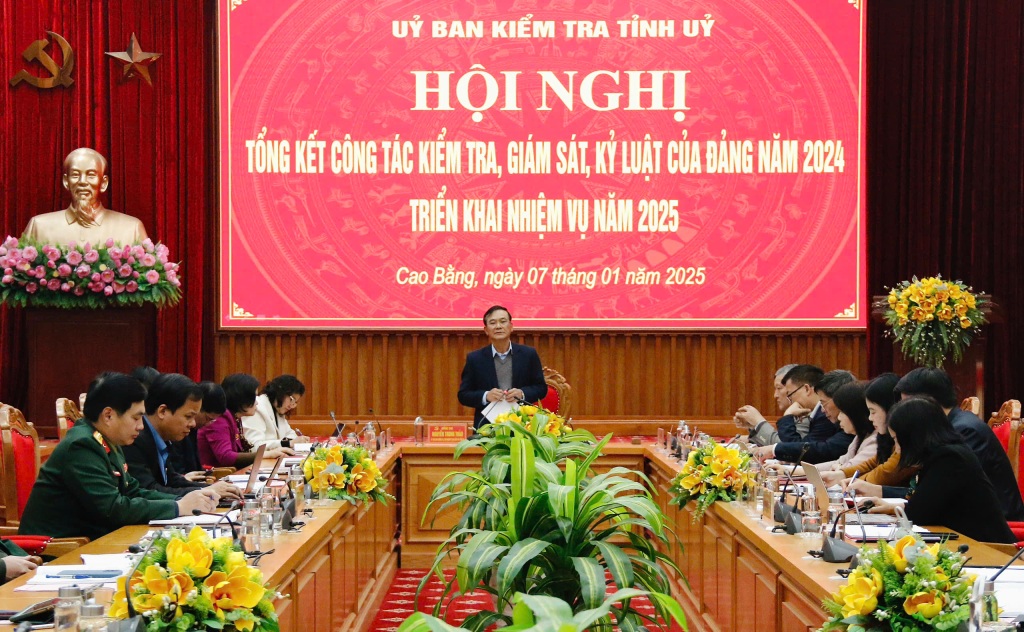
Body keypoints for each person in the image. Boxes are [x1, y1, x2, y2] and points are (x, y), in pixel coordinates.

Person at [19, 373, 218, 540]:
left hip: (92, 540)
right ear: (108, 416)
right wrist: (177, 506)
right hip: (56, 550)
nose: (141, 426)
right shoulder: (82, 445)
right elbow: (112, 509)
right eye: (136, 418)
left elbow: (133, 491)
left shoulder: (108, 440)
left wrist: (185, 500)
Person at [856, 398, 1015, 544]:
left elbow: (918, 514)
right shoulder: (943, 453)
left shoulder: (949, 458)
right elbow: (926, 501)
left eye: (897, 440)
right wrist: (893, 507)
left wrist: (899, 508)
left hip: (989, 549)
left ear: (914, 437)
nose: (897, 449)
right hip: (962, 542)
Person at [894, 367, 1024, 522]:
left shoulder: (964, 431)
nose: (905, 413)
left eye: (908, 406)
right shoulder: (951, 425)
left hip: (996, 526)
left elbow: (944, 490)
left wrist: (904, 506)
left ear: (928, 403)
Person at [123, 373, 242, 501]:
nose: (193, 424)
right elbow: (148, 490)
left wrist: (210, 488)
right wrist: (205, 491)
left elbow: (171, 480)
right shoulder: (134, 439)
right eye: (188, 416)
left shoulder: (162, 437)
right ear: (162, 411)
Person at [21, 148, 148, 246]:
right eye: (75, 175)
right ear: (66, 181)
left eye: (91, 175)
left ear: (103, 183)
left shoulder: (132, 228)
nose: (82, 181)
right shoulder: (39, 226)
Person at [457, 305, 548, 429]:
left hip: (523, 425)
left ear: (511, 327)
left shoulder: (528, 354)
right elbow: (463, 395)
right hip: (487, 427)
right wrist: (486, 396)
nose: (498, 326)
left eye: (503, 321)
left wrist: (522, 394)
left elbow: (541, 388)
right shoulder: (475, 358)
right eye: (492, 323)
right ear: (486, 330)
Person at [821, 373, 916, 487]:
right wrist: (843, 474)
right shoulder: (882, 438)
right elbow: (872, 464)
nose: (870, 418)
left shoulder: (907, 439)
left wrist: (852, 481)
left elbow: (885, 472)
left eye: (873, 411)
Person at [752, 365, 854, 463]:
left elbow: (812, 452)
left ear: (807, 389)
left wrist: (787, 417)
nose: (823, 409)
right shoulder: (817, 413)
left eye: (790, 395)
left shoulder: (824, 416)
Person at [197, 373, 295, 468]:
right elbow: (225, 457)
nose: (257, 403)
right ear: (242, 398)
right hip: (216, 475)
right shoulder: (220, 418)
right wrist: (266, 454)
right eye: (253, 397)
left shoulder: (234, 417)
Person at [786, 382, 877, 477]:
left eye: (842, 412)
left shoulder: (874, 440)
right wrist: (790, 470)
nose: (839, 417)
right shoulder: (860, 437)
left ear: (855, 414)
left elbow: (848, 469)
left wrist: (838, 467)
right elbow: (840, 462)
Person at [735, 364, 812, 446]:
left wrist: (759, 422)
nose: (775, 395)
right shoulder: (796, 413)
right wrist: (754, 426)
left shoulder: (807, 414)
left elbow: (786, 446)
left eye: (779, 388)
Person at [168, 381, 223, 477]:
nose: (208, 424)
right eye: (208, 418)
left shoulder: (193, 430)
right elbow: (177, 474)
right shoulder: (177, 430)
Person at [242, 374, 305, 450]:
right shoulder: (257, 407)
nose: (292, 406)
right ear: (280, 392)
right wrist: (286, 443)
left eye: (295, 402)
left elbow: (291, 434)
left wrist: (295, 441)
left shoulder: (278, 410)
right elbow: (254, 445)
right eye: (291, 399)